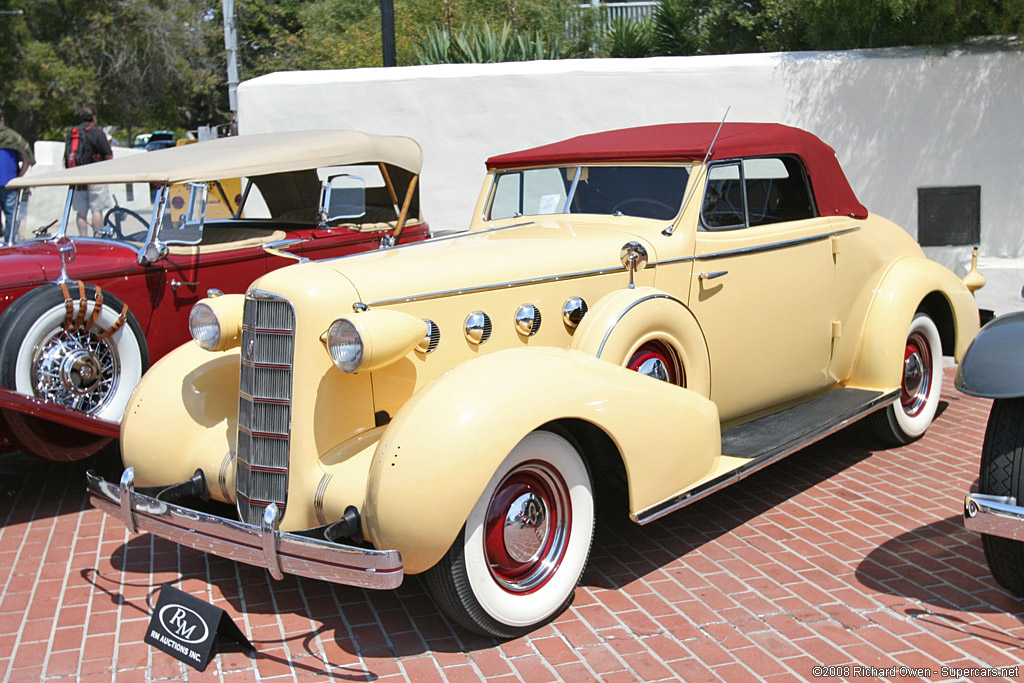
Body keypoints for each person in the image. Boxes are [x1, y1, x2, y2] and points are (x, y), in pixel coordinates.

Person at [65, 105, 113, 236]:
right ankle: (97, 238)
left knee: (81, 213)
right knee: (96, 211)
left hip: (77, 177)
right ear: (94, 118)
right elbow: (109, 155)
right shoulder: (97, 133)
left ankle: (83, 239)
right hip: (95, 176)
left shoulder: (73, 133)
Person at [0, 106, 36, 238]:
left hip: (9, 181)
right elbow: (27, 155)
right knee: (11, 214)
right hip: (10, 180)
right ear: (2, 119)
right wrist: (20, 175)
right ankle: (10, 242)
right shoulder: (12, 136)